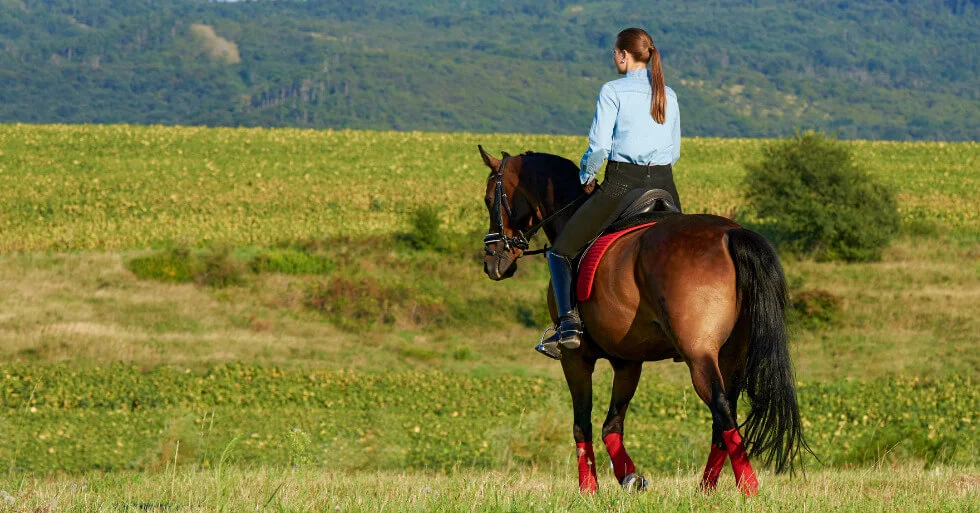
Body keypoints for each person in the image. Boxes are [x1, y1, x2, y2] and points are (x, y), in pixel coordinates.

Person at [545, 27, 682, 352]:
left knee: (560, 251)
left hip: (624, 184)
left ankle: (567, 327)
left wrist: (587, 175)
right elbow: (674, 151)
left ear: (622, 55)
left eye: (615, 53)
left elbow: (599, 147)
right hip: (665, 186)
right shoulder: (669, 94)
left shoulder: (613, 91)